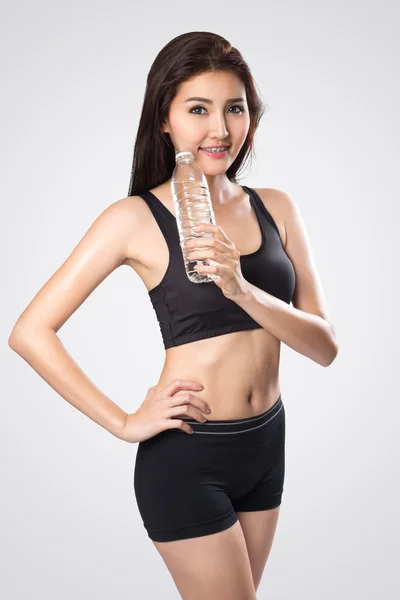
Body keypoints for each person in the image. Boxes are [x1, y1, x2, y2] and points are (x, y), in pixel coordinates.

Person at [8, 31, 338, 600]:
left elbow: (324, 346)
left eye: (235, 108)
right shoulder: (133, 218)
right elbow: (30, 331)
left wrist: (243, 289)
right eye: (198, 109)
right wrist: (123, 422)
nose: (220, 128)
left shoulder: (276, 207)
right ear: (165, 120)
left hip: (266, 445)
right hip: (189, 454)